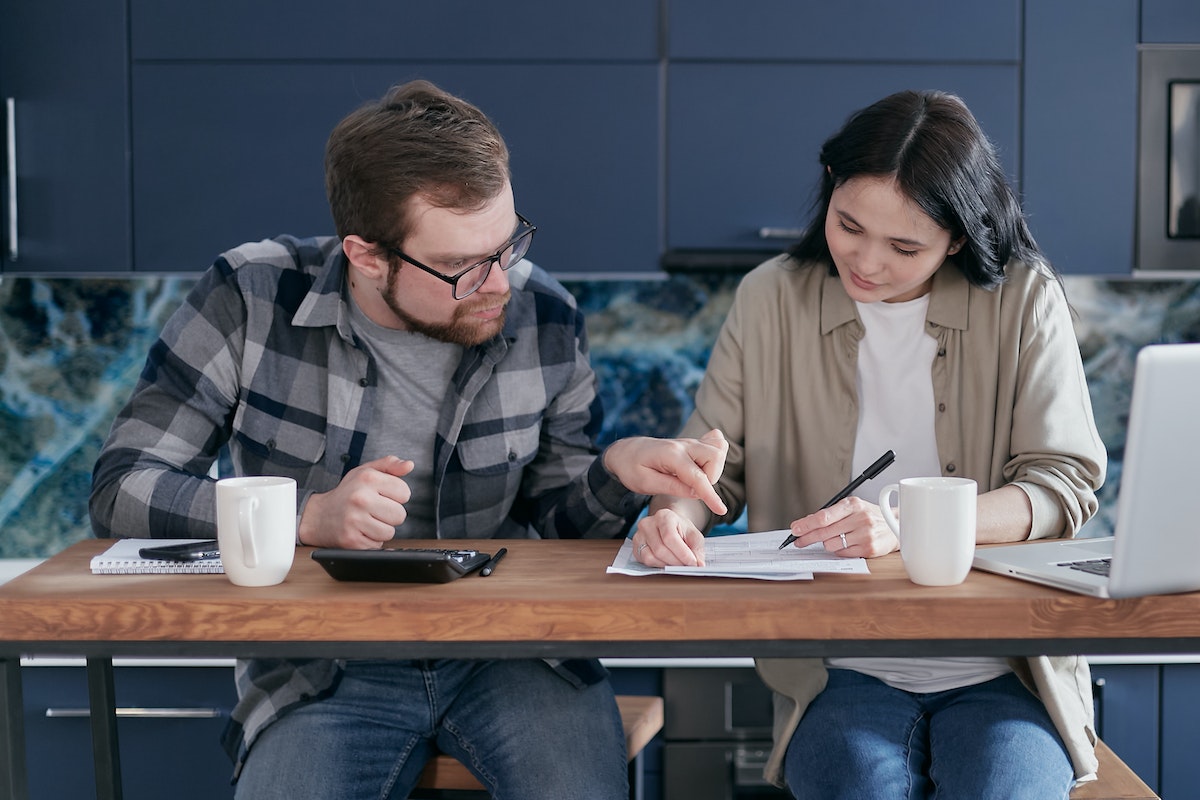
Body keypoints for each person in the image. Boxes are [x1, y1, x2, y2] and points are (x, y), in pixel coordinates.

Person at [89, 79, 728, 800]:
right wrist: (306, 517)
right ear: (366, 256)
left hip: (513, 650)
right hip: (320, 665)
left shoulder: (545, 313)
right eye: (461, 266)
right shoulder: (250, 296)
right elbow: (123, 488)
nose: (500, 281)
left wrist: (618, 468)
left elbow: (559, 517)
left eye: (508, 242)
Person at [632, 90, 1107, 798]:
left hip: (1003, 667)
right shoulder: (771, 298)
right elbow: (712, 468)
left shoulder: (1025, 301)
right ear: (828, 184)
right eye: (848, 225)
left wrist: (916, 526)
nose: (867, 262)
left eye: (905, 246)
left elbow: (1064, 485)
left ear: (959, 236)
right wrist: (675, 516)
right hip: (840, 668)